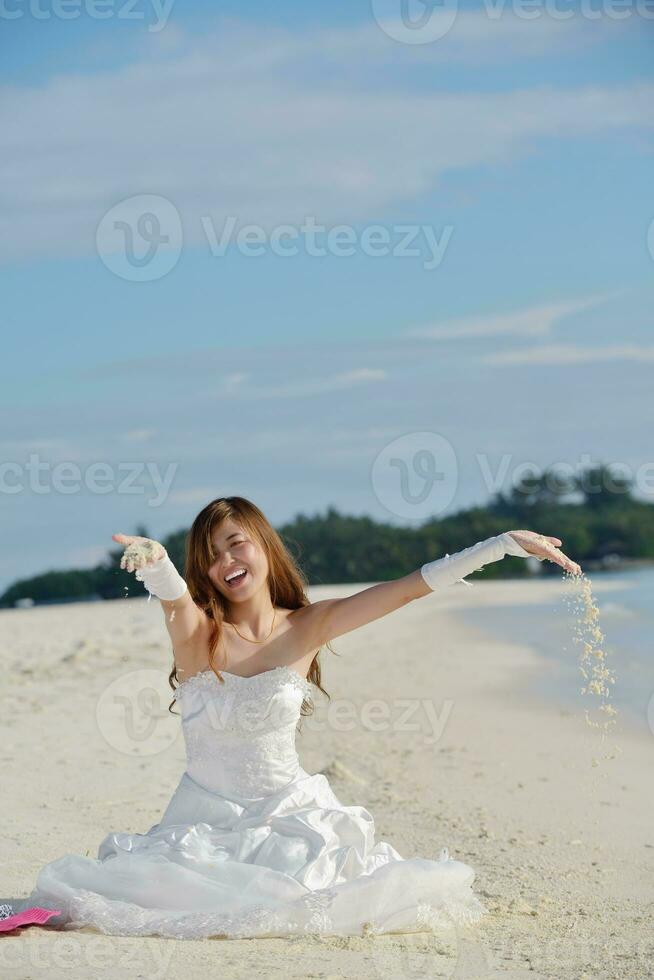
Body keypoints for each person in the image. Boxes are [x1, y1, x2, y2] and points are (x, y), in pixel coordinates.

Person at [21, 496, 581, 939]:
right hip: (204, 824)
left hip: (295, 816)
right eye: (211, 556)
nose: (225, 562)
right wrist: (160, 563)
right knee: (160, 891)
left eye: (236, 544)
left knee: (321, 884)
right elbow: (174, 602)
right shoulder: (199, 635)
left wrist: (499, 545)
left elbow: (406, 590)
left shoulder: (309, 626)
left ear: (264, 545)